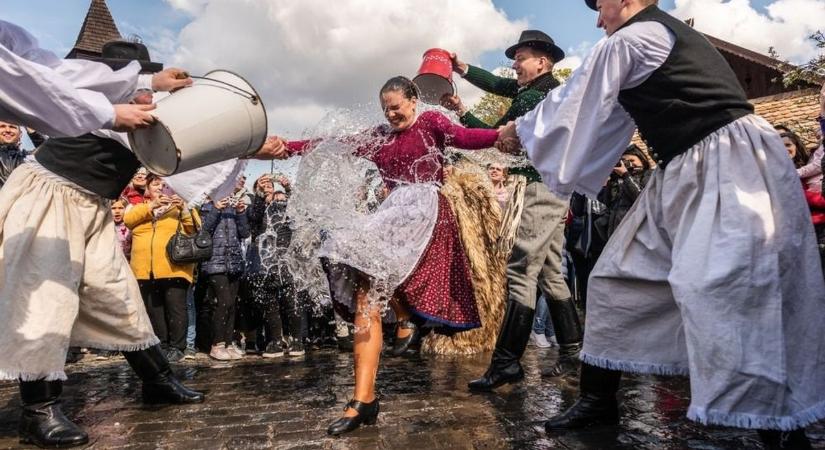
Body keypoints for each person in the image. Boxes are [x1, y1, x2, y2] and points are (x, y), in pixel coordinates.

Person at [498, 1, 825, 447]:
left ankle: (777, 425)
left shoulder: (636, 38)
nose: (598, 19)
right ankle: (599, 399)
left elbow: (575, 99)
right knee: (616, 277)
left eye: (601, 7)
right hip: (684, 169)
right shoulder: (644, 43)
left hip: (727, 164)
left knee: (738, 288)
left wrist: (520, 129)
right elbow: (605, 115)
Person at [0, 39, 206, 448]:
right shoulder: (88, 102)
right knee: (44, 299)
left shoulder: (139, 107)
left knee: (117, 293)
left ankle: (157, 380)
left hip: (89, 205)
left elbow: (181, 156)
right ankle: (37, 411)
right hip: (49, 196)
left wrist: (251, 146)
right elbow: (68, 94)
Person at [277, 76, 504, 435]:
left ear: (413, 101)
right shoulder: (379, 136)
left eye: (396, 106)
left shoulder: (431, 123)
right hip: (390, 214)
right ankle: (363, 398)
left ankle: (406, 318)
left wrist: (501, 135)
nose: (391, 113)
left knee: (373, 269)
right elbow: (332, 144)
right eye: (385, 108)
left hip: (425, 211)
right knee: (355, 269)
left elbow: (464, 138)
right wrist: (285, 146)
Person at [442, 30, 584, 390]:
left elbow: (493, 135)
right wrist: (463, 69)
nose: (515, 65)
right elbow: (499, 85)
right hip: (552, 186)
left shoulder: (532, 97)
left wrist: (463, 114)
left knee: (520, 269)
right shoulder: (541, 90)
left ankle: (506, 363)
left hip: (538, 187)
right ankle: (573, 356)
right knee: (551, 271)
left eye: (521, 59)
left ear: (543, 61)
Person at [0, 20, 186, 137]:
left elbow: (48, 70)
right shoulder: (102, 115)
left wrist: (145, 82)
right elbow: (26, 87)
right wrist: (107, 114)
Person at [125, 174, 199, 363]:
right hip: (144, 269)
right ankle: (163, 345)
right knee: (154, 310)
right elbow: (128, 220)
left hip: (173, 267)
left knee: (176, 308)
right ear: (148, 189)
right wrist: (152, 206)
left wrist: (183, 209)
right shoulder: (140, 207)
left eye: (164, 184)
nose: (160, 187)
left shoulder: (181, 205)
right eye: (155, 184)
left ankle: (178, 346)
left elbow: (194, 229)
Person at [245, 174, 306, 358]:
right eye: (264, 186)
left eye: (270, 186)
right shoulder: (257, 207)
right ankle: (275, 341)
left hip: (285, 259)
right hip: (264, 262)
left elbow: (298, 208)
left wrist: (288, 188)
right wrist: (259, 195)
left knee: (291, 302)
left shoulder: (283, 207)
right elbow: (253, 220)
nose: (268, 188)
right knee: (269, 304)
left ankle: (297, 340)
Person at [200, 188, 251, 361]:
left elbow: (245, 233)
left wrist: (241, 212)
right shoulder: (205, 208)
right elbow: (204, 231)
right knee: (224, 302)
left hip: (234, 262)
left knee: (232, 304)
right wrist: (216, 209)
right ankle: (217, 344)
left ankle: (228, 344)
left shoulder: (233, 210)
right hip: (215, 262)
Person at [597, 144, 652, 238]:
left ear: (642, 160)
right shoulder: (619, 180)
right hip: (616, 233)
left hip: (637, 233)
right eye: (624, 161)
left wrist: (626, 175)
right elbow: (606, 202)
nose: (628, 164)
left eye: (631, 160)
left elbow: (642, 198)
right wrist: (610, 180)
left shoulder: (648, 175)